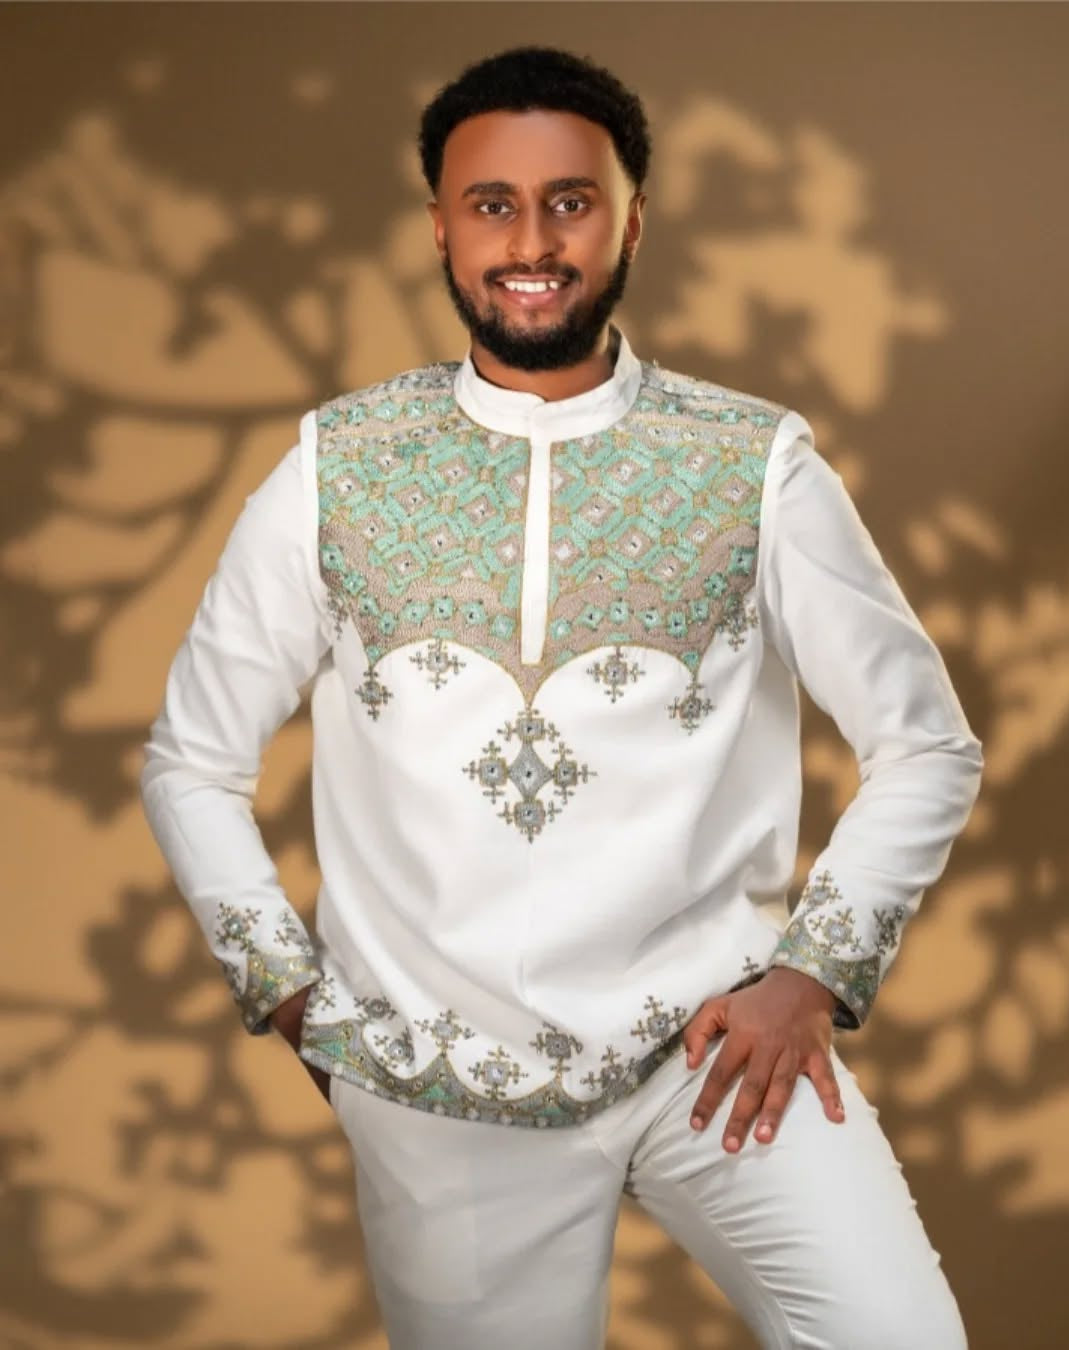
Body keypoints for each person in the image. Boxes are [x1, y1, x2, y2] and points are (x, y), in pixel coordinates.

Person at [141, 45, 983, 1350]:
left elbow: (926, 741)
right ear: (438, 225)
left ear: (632, 217)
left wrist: (813, 972)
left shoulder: (755, 466)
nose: (531, 239)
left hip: (716, 1050)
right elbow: (190, 758)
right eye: (491, 204)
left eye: (571, 202)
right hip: (440, 1083)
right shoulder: (338, 468)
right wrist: (292, 989)